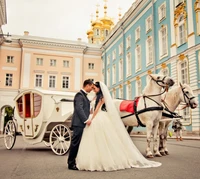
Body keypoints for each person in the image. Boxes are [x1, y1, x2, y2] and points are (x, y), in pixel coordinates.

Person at [76, 81, 161, 171]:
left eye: (94, 88)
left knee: (101, 139)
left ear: (99, 88)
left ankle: (101, 159)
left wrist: (92, 118)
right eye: (92, 88)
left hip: (99, 116)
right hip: (98, 116)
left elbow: (97, 109)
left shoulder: (101, 97)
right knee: (100, 139)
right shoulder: (97, 96)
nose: (93, 90)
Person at [67, 79, 94, 170]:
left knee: (78, 143)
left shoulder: (84, 96)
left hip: (81, 123)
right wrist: (86, 120)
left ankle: (74, 161)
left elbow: (85, 107)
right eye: (91, 87)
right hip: (78, 123)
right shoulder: (79, 95)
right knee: (75, 143)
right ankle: (71, 163)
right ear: (87, 85)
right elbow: (79, 109)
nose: (91, 89)